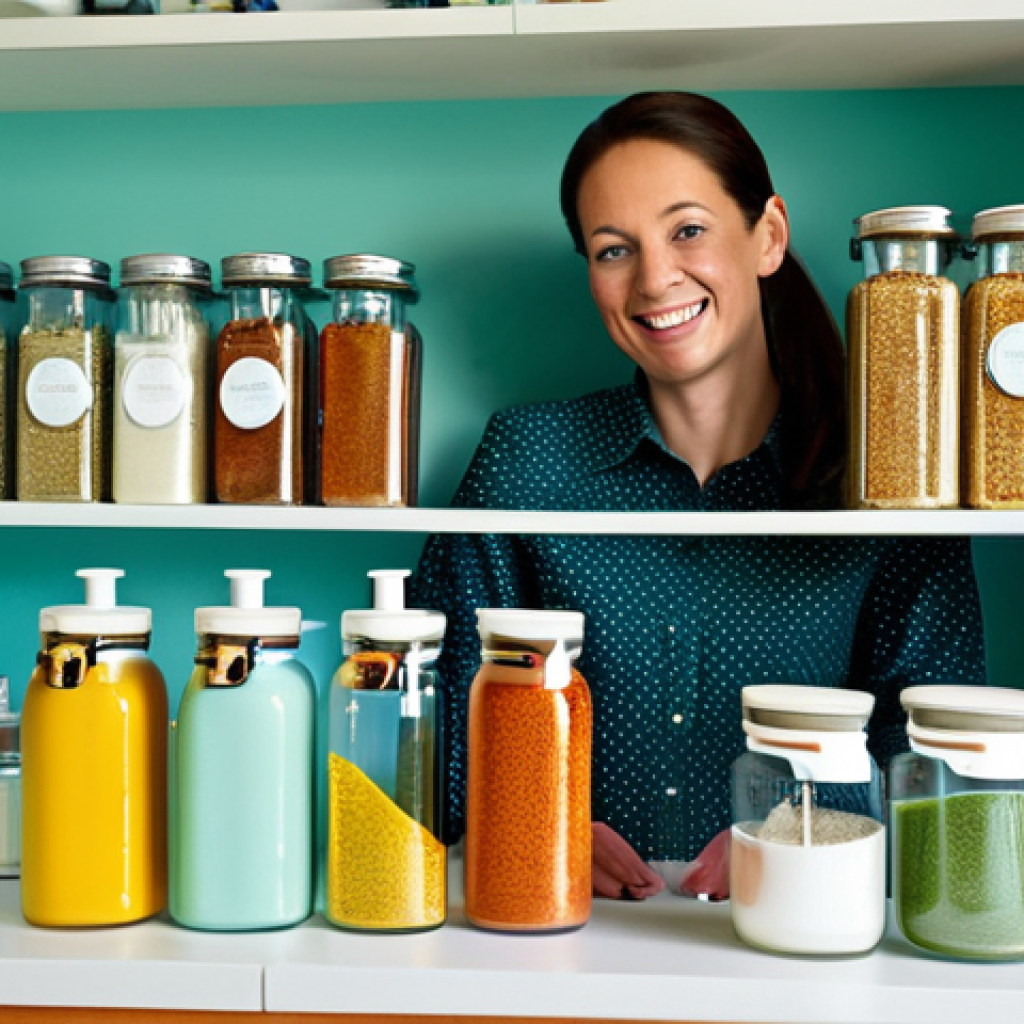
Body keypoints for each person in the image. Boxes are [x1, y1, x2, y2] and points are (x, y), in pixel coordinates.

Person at [411, 91, 986, 901]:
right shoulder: (526, 459)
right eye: (614, 249)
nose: (654, 279)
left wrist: (811, 833)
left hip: (808, 925)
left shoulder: (891, 477)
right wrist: (530, 822)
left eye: (688, 230)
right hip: (552, 927)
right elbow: (435, 717)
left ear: (768, 236)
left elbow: (932, 740)